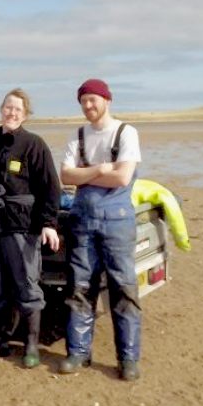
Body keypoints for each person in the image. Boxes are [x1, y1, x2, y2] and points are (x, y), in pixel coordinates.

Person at [0, 88, 61, 368]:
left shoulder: (34, 145)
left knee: (27, 286)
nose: (12, 112)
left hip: (23, 228)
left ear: (25, 114)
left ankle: (31, 345)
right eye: (8, 107)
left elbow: (50, 188)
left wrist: (48, 223)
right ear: (1, 109)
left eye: (18, 109)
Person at [58, 78, 143, 381]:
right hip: (82, 221)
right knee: (80, 288)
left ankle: (128, 359)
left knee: (124, 289)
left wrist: (85, 176)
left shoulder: (126, 133)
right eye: (83, 101)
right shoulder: (77, 135)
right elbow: (66, 175)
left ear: (107, 100)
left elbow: (122, 178)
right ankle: (78, 353)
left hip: (118, 222)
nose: (88, 106)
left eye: (93, 99)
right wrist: (99, 169)